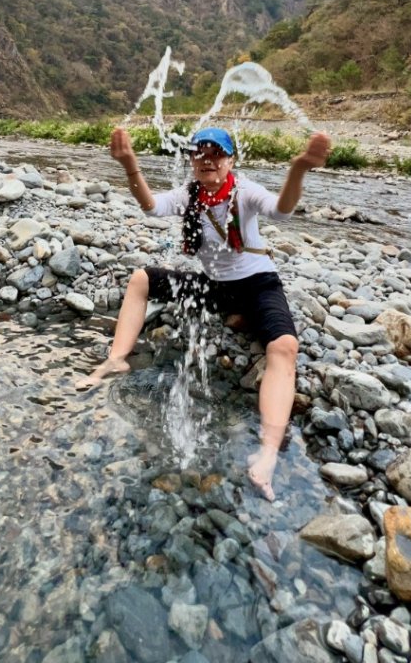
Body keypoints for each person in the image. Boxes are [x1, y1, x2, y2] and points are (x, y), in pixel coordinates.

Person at [78, 124, 331, 500]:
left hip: (258, 285)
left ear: (230, 159)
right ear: (192, 159)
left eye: (217, 153)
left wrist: (299, 170)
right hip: (215, 288)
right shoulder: (189, 193)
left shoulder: (245, 192)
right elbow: (151, 207)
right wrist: (129, 164)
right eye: (200, 153)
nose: (208, 160)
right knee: (140, 279)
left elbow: (281, 211)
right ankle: (116, 359)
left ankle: (266, 455)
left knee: (284, 347)